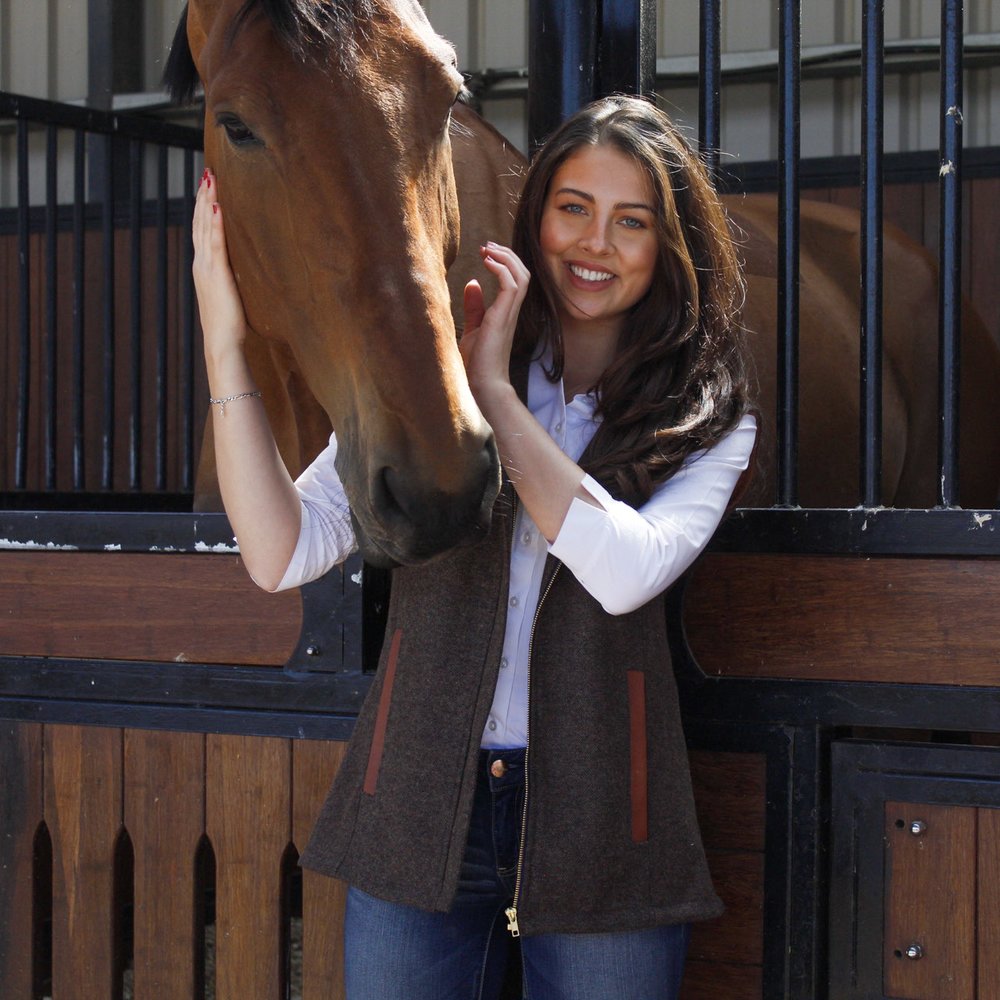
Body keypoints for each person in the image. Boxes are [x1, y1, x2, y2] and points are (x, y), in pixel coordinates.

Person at [192, 94, 756, 1000]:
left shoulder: (709, 416)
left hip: (605, 828)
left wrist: (493, 393)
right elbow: (279, 551)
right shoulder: (439, 364)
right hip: (417, 817)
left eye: (631, 222)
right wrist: (226, 337)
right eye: (573, 208)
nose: (594, 244)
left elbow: (623, 574)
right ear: (536, 216)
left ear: (668, 244)